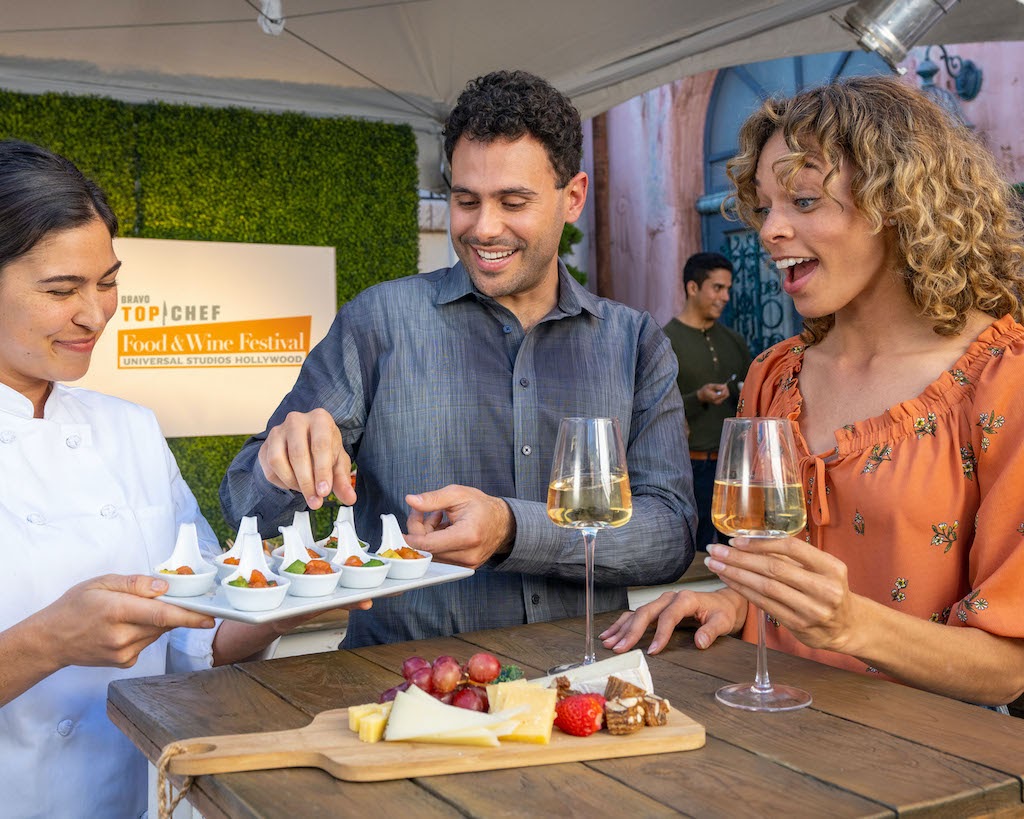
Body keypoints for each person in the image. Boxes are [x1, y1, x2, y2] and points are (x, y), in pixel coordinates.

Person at [221, 69, 696, 648]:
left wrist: (513, 529)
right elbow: (243, 504)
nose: (484, 228)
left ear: (573, 197)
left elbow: (670, 537)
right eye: (466, 201)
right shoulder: (379, 322)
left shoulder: (634, 343)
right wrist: (281, 464)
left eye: (513, 202)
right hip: (401, 686)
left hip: (584, 684)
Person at [601, 76, 1024, 708]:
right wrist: (733, 602)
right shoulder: (775, 375)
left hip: (923, 759)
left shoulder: (1003, 380)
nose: (770, 229)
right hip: (767, 741)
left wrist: (853, 626)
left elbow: (1010, 667)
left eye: (803, 200)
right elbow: (775, 575)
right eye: (765, 205)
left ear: (897, 203)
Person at [0, 139, 371, 816]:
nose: (95, 313)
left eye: (107, 281)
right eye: (61, 290)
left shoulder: (131, 430)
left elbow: (198, 641)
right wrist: (46, 642)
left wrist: (279, 607)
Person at [662, 252, 751, 549]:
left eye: (728, 288)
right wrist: (697, 397)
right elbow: (654, 407)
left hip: (736, 468)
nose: (726, 297)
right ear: (693, 287)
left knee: (739, 551)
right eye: (717, 288)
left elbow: (753, 393)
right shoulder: (664, 341)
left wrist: (735, 391)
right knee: (693, 552)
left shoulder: (734, 340)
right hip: (690, 467)